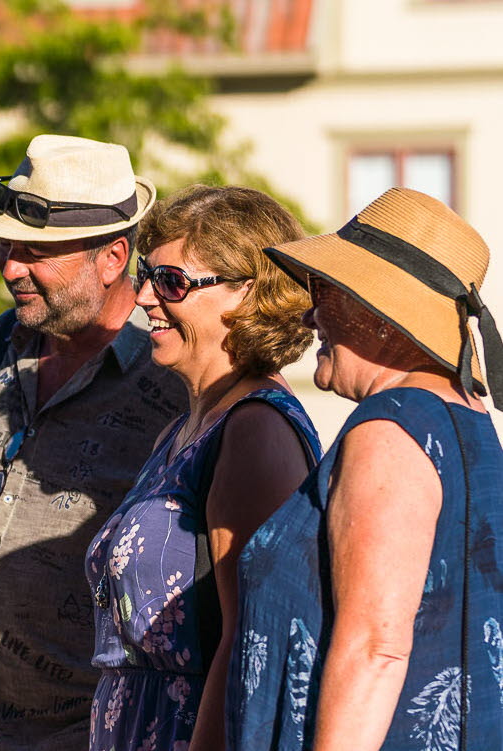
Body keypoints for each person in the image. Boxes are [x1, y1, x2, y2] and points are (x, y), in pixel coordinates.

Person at [0, 134, 187, 749]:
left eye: (35, 251)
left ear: (114, 257)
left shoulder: (174, 382)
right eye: (6, 246)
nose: (10, 267)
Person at [229, 187, 503, 750]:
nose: (311, 312)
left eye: (326, 291)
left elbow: (375, 648)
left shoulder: (391, 429)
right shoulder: (464, 419)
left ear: (382, 318)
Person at [83, 185, 320, 751]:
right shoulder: (187, 427)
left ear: (249, 293)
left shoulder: (254, 429)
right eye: (147, 275)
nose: (142, 297)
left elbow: (248, 644)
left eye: (171, 282)